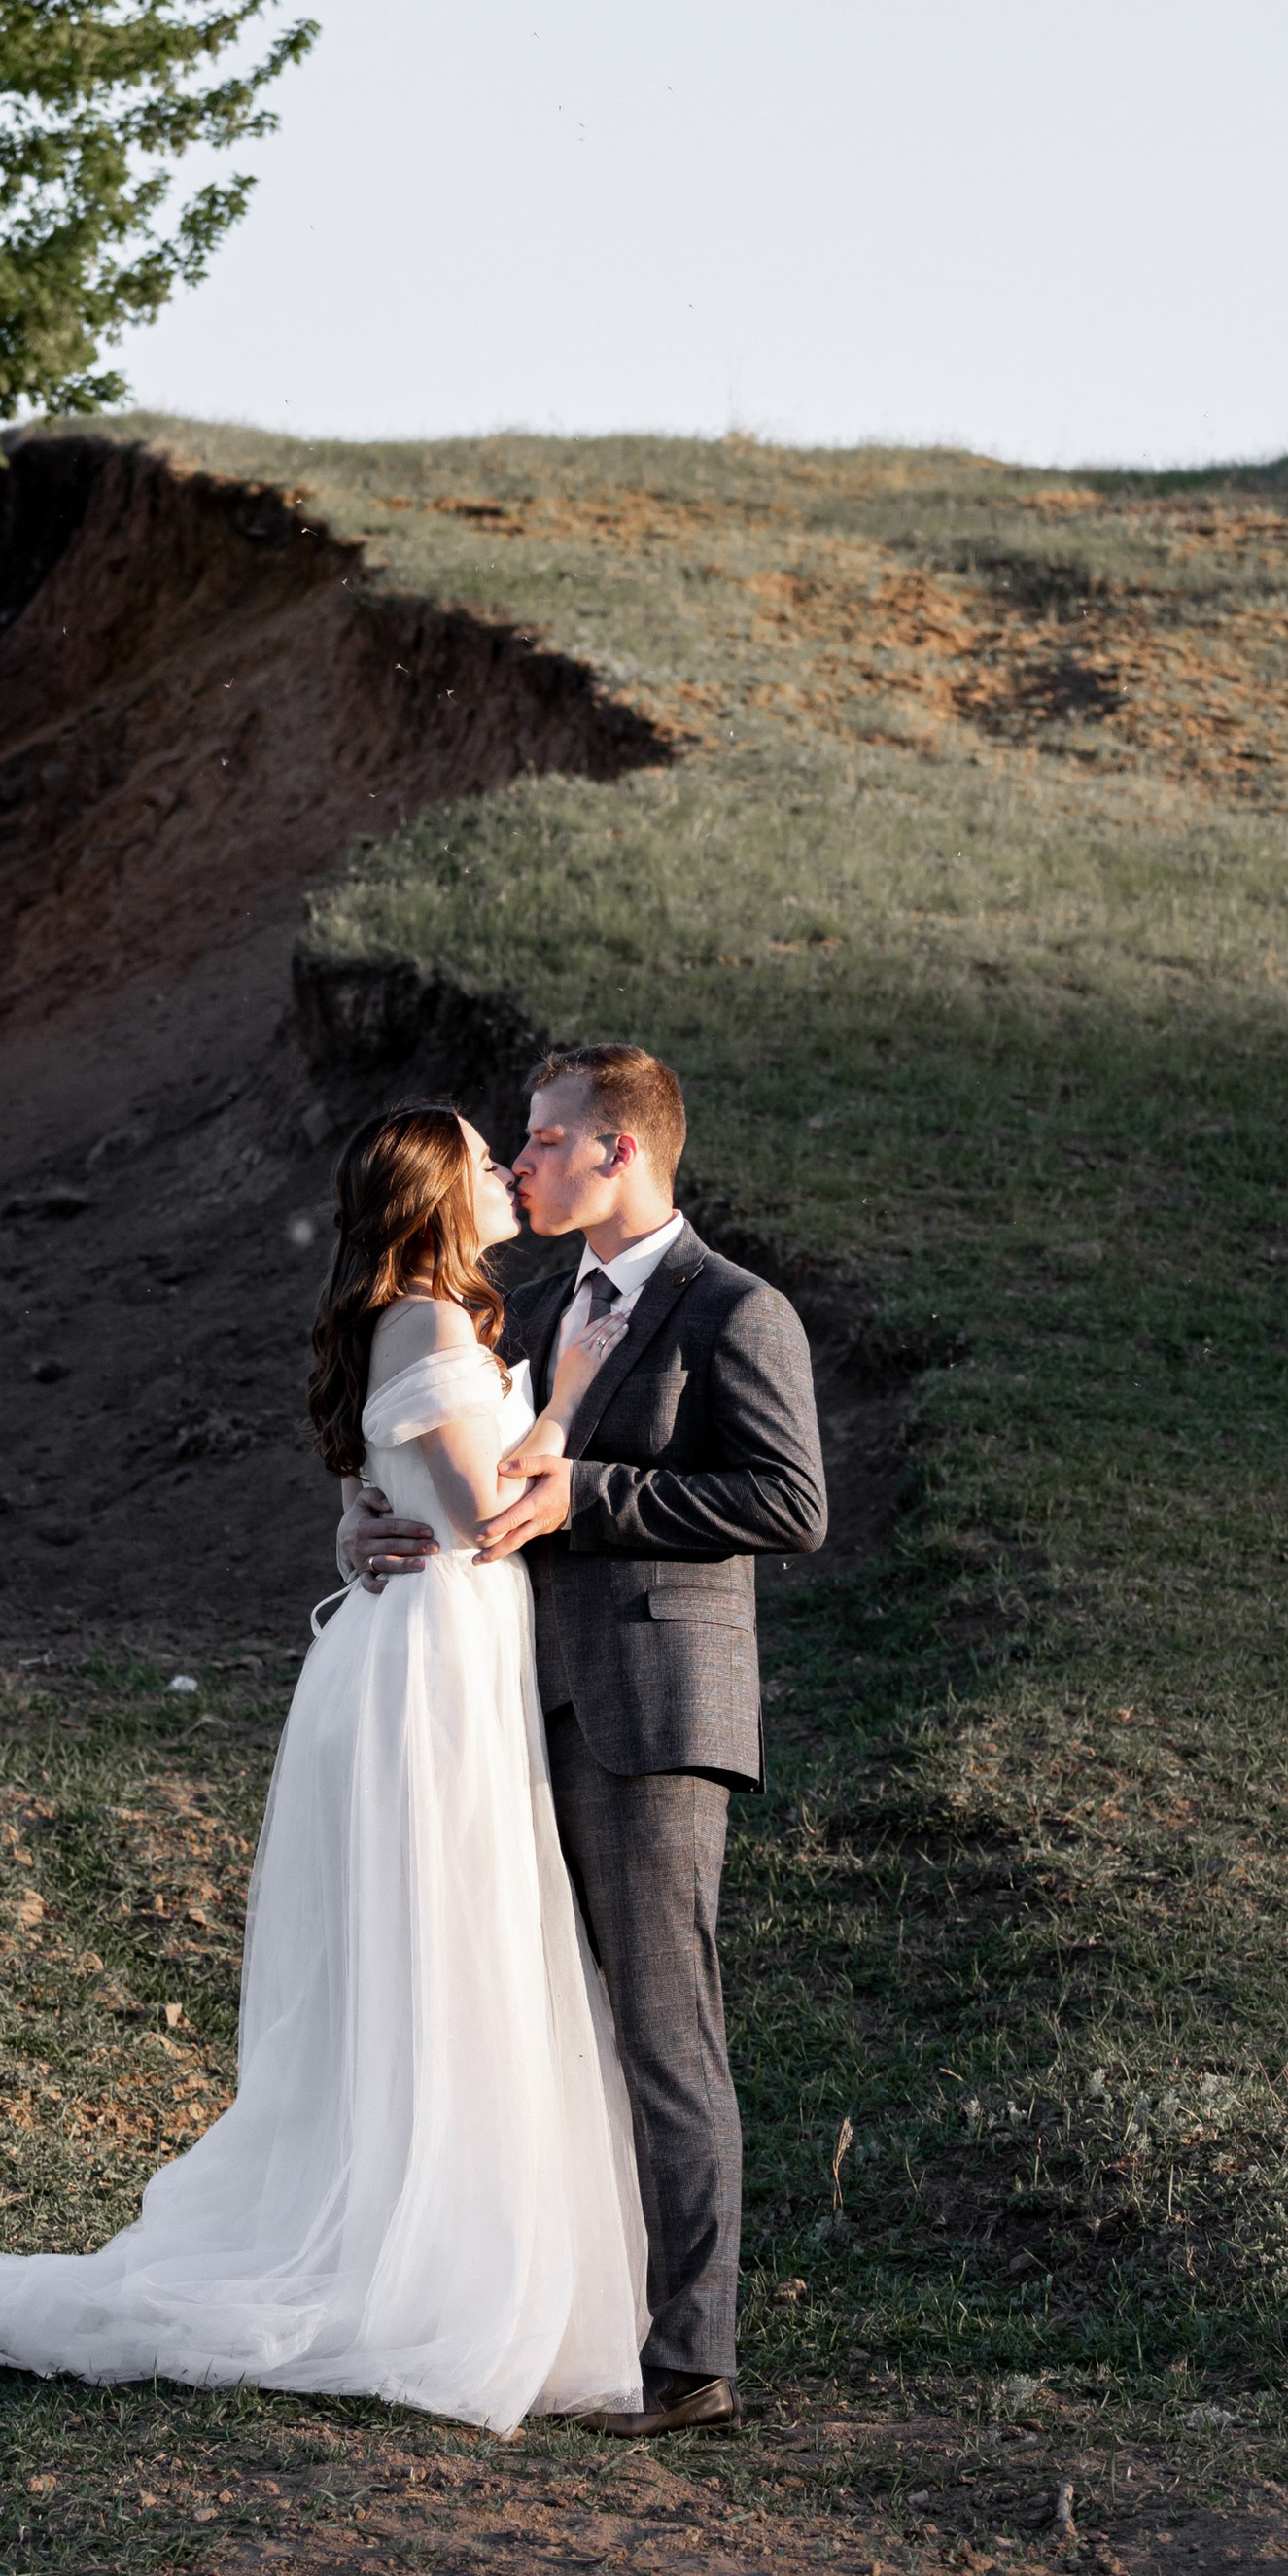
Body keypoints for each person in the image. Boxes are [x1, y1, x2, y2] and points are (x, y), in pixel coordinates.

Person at [0, 1104, 652, 2432]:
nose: (503, 1175)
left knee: (457, 1947)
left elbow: (409, 1486)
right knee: (444, 1945)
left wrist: (361, 1513)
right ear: (436, 1195)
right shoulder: (426, 1322)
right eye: (484, 1160)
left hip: (444, 1650)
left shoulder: (443, 1322)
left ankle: (443, 2227)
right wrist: (581, 1392)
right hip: (430, 1666)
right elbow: (486, 1515)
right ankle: (411, 2256)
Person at [341, 1042, 827, 2436]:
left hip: (653, 1708)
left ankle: (691, 2364)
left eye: (545, 1142)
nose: (523, 1163)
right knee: (538, 2022)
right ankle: (557, 2315)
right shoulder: (535, 1300)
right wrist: (367, 1519)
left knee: (668, 2034)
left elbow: (791, 1504)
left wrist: (591, 1494)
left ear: (620, 1151)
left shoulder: (736, 1308)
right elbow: (455, 1458)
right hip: (503, 1708)